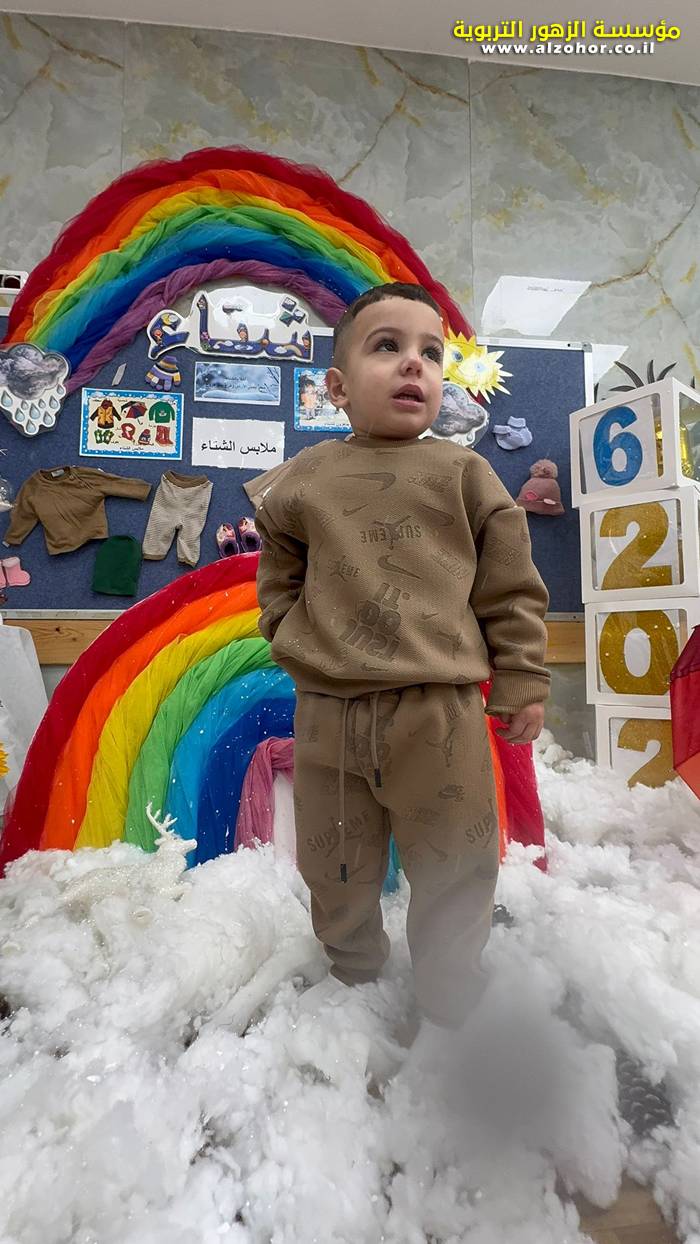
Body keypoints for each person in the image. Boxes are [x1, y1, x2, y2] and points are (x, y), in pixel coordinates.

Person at [246, 283, 550, 1045]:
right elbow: (277, 563)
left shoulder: (466, 475)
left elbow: (510, 588)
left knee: (457, 859)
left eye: (431, 353)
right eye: (388, 346)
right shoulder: (304, 476)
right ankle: (353, 973)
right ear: (338, 386)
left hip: (438, 709)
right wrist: (287, 627)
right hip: (330, 710)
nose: (414, 364)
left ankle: (451, 987)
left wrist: (520, 677)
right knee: (334, 859)